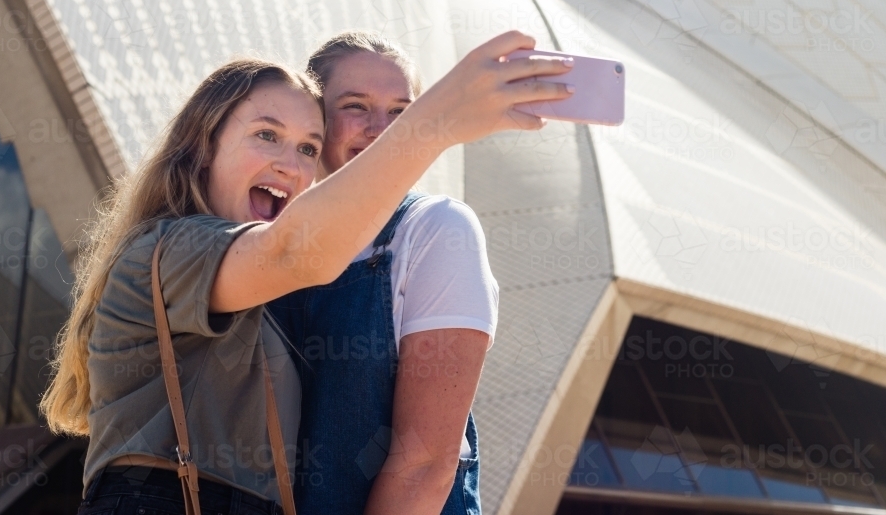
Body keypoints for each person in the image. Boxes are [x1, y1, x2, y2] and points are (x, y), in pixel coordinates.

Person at [41, 32, 574, 515]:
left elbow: (425, 463)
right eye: (266, 135)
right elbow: (297, 252)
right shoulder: (171, 249)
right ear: (203, 146)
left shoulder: (418, 232)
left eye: (306, 147)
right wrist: (434, 125)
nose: (290, 164)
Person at [268, 32, 497, 515]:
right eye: (356, 106)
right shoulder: (265, 243)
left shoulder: (435, 229)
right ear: (313, 118)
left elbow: (424, 465)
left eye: (401, 112)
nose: (382, 129)